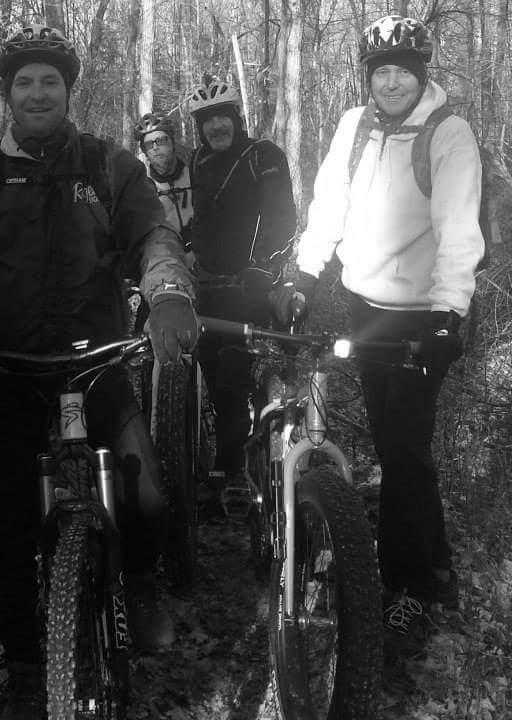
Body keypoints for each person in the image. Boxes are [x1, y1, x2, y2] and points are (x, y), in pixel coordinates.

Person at [0, 24, 199, 719]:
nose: (37, 93)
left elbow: (153, 233)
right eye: (24, 83)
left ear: (68, 92)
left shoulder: (106, 165)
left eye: (50, 82)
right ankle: (23, 663)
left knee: (146, 495)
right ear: (6, 94)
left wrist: (167, 293)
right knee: (11, 525)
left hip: (95, 362)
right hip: (3, 367)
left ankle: (138, 582)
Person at [274, 15, 483, 648]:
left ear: (421, 76)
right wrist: (305, 276)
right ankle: (437, 572)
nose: (391, 83)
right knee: (398, 446)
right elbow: (329, 206)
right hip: (366, 306)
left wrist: (449, 314)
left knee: (403, 449)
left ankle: (408, 588)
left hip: (424, 315)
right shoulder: (354, 126)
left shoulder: (448, 133)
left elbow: (458, 229)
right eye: (380, 72)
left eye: (403, 73)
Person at [185, 79, 297, 513]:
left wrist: (262, 267)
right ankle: (229, 459)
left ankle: (233, 470)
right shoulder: (196, 161)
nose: (216, 126)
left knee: (236, 378)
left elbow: (282, 217)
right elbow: (195, 218)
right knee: (213, 380)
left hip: (249, 288)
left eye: (223, 117)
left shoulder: (262, 156)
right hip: (207, 289)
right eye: (207, 120)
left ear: (237, 117)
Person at [133, 111, 194, 248]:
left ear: (172, 142)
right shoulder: (141, 188)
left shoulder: (194, 175)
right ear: (145, 152)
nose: (155, 148)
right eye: (149, 144)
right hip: (167, 256)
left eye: (161, 141)